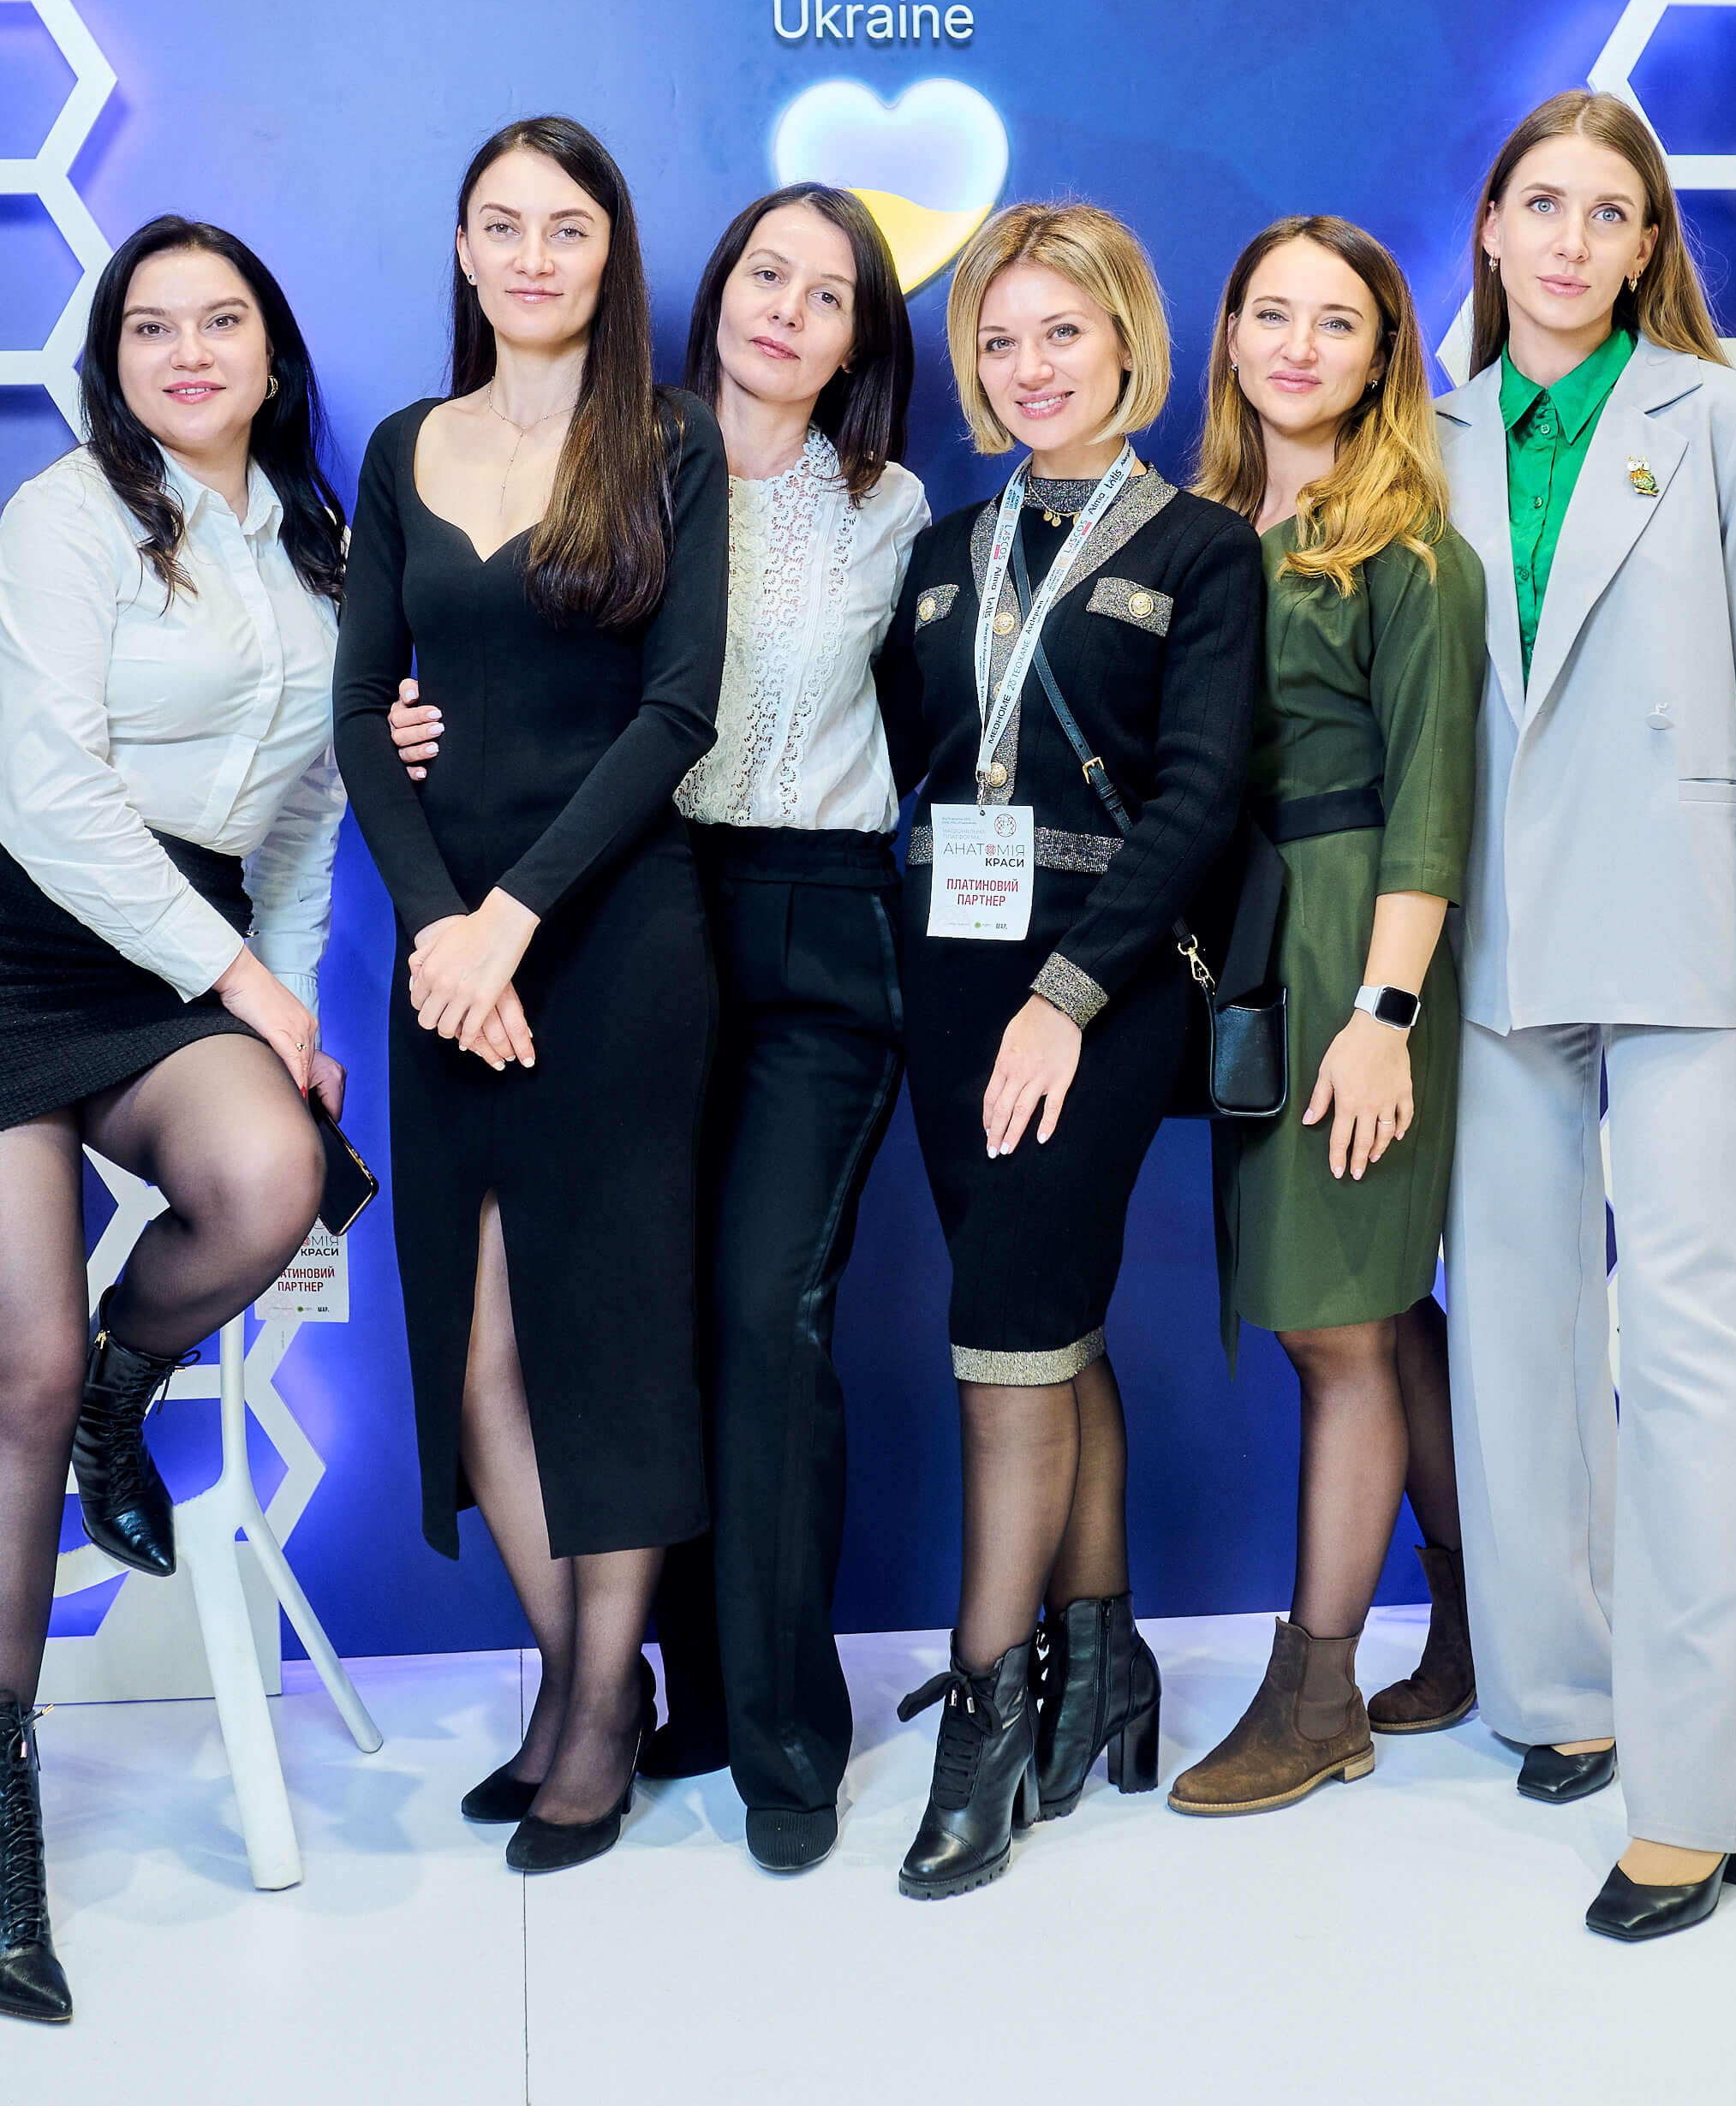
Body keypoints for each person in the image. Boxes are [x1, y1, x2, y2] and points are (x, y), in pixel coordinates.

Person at [392, 183, 924, 1874]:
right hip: (642, 907)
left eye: (827, 295)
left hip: (815, 919)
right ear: (711, 286)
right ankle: (648, 1694)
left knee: (763, 1315)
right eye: (765, 273)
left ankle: (779, 1730)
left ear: (859, 340)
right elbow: (524, 663)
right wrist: (423, 721)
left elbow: (928, 724)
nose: (785, 310)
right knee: (632, 1324)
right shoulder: (626, 455)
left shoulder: (893, 507)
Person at [0, 216, 348, 2023]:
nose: (189, 352)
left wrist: (288, 1002)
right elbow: (55, 799)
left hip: (174, 949)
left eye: (222, 321)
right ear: (114, 358)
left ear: (272, 356)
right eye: (153, 326)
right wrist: (246, 985)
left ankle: (121, 1399)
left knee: (272, 1175)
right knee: (18, 1367)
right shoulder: (64, 516)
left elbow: (304, 815)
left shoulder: (322, 549)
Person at [1435, 87, 1736, 1942]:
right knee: (1512, 1335)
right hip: (1492, 937)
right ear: (1490, 226)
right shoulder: (1424, 429)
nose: (1571, 239)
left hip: (1681, 929)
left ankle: (1696, 1796)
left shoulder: (1721, 415)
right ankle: (1564, 1692)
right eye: (1542, 203)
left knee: (1687, 1352)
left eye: (1610, 212)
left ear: (1647, 244)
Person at [333, 116, 728, 1876]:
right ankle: (594, 1675)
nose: (532, 257)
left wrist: (510, 920)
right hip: (451, 964)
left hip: (615, 944)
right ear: (464, 250)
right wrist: (443, 930)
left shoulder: (670, 444)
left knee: (607, 1337)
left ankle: (587, 1728)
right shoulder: (401, 448)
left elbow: (676, 712)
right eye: (500, 225)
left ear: (609, 252)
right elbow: (362, 712)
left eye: (566, 227)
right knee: (478, 1343)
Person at [874, 201, 1261, 1898]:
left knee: (1001, 1343)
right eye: (998, 338)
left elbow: (1197, 802)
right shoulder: (943, 549)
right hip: (944, 976)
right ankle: (1102, 1655)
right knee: (1042, 1327)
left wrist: (1067, 992)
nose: (1029, 366)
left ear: (1125, 345)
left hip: (1096, 985)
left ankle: (986, 1704)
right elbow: (882, 750)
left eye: (1061, 332)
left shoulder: (1201, 549)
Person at [1167, 218, 1485, 1818]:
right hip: (1243, 944)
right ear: (1227, 335)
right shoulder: (1199, 529)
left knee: (1336, 1326)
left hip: (1354, 942)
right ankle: (1480, 1612)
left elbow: (1430, 802)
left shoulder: (1409, 550)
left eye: (1337, 322)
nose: (1298, 346)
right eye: (1271, 314)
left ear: (1381, 359)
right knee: (1379, 1309)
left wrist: (1381, 1012)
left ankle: (1315, 1696)